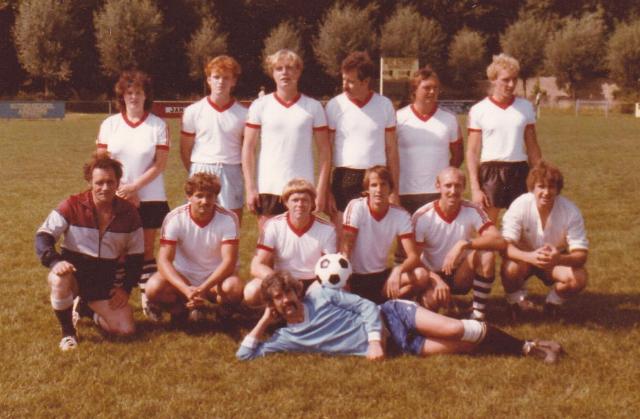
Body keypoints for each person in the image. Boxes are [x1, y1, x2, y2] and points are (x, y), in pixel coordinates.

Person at [236, 271, 563, 363]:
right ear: (273, 305)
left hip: (392, 316)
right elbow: (244, 356)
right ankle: (532, 345)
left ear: (296, 291)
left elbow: (366, 307)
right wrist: (264, 322)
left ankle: (527, 347)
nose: (287, 301)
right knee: (463, 346)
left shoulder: (320, 294)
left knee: (454, 328)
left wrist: (374, 342)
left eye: (288, 293)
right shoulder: (286, 337)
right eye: (278, 299)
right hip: (398, 346)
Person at [35, 154, 144, 351]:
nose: (105, 188)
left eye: (110, 182)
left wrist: (125, 288)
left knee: (125, 330)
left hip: (103, 283)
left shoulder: (129, 213)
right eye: (99, 182)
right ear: (89, 182)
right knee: (60, 279)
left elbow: (136, 257)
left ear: (118, 182)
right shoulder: (72, 205)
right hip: (73, 276)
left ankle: (86, 309)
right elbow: (43, 235)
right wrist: (54, 262)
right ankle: (68, 333)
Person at [96, 70, 170, 320]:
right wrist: (122, 190)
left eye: (139, 92)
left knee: (146, 251)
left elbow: (159, 164)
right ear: (122, 96)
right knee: (118, 253)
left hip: (150, 196)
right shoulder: (110, 124)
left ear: (146, 95)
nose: (134, 97)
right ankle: (114, 300)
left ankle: (149, 299)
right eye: (129, 93)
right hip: (115, 196)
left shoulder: (158, 125)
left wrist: (134, 188)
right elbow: (102, 163)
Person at [242, 49, 331, 229]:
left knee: (302, 242)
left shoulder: (313, 107)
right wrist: (250, 187)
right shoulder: (260, 105)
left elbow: (325, 151)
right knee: (268, 244)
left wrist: (320, 190)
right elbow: (248, 148)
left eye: (290, 68)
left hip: (302, 189)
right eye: (279, 68)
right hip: (269, 187)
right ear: (272, 73)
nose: (285, 73)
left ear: (298, 72)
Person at [144, 173, 244, 322]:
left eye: (210, 196)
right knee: (153, 287)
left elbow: (229, 262)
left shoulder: (228, 218)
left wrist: (203, 289)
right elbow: (164, 261)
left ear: (216, 197)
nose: (205, 201)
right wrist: (185, 289)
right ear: (189, 196)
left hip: (215, 278)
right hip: (184, 276)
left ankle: (223, 315)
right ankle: (180, 309)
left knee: (234, 287)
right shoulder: (174, 218)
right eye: (199, 196)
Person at [412, 167, 507, 320]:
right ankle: (425, 297)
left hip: (460, 274)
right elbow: (413, 260)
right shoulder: (423, 216)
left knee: (486, 254)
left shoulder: (472, 210)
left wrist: (464, 243)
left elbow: (499, 241)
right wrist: (437, 280)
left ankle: (477, 314)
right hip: (432, 275)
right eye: (448, 185)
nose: (453, 191)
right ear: (438, 186)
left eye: (457, 185)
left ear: (464, 187)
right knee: (430, 307)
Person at [500, 161, 589, 318]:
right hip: (525, 258)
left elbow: (581, 255)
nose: (546, 192)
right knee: (509, 268)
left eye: (551, 187)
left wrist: (558, 258)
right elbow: (504, 247)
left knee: (579, 278)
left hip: (554, 261)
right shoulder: (520, 205)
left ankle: (552, 303)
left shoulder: (571, 211)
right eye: (541, 186)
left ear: (558, 189)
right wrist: (529, 257)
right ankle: (516, 302)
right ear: (532, 188)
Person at [326, 51, 399, 238]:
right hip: (345, 176)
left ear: (365, 81)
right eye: (343, 79)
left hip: (376, 176)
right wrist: (327, 190)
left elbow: (392, 150)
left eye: (350, 81)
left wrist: (394, 190)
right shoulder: (335, 105)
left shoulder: (384, 105)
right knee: (343, 237)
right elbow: (327, 151)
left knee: (372, 236)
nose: (345, 85)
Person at [466, 53, 542, 224]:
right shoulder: (479, 110)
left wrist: (539, 177)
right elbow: (472, 152)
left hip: (519, 171)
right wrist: (475, 188)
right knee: (488, 227)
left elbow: (533, 147)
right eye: (505, 80)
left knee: (523, 226)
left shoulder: (525, 107)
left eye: (514, 79)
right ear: (493, 79)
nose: (511, 84)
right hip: (491, 172)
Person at [244, 178, 337, 307]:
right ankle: (274, 312)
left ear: (312, 203)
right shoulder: (273, 225)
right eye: (295, 200)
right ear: (286, 203)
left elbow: (331, 268)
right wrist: (281, 281)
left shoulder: (327, 229)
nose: (300, 204)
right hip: (283, 281)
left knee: (323, 294)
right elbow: (256, 266)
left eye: (305, 200)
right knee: (251, 291)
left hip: (314, 281)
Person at [341, 166, 426, 304]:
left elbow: (413, 256)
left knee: (421, 275)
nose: (379, 190)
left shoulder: (400, 214)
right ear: (367, 189)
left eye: (383, 184)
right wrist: (345, 278)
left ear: (390, 188)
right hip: (355, 276)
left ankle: (388, 304)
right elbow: (346, 248)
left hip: (381, 276)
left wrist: (398, 270)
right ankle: (380, 304)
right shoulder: (356, 207)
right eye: (374, 185)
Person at [180, 55, 247, 223]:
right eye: (216, 77)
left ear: (233, 81)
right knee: (198, 222)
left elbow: (247, 151)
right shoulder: (193, 111)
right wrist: (197, 170)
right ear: (209, 80)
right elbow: (185, 149)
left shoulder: (244, 114)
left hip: (231, 170)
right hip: (202, 167)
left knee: (231, 222)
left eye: (226, 78)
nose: (221, 82)